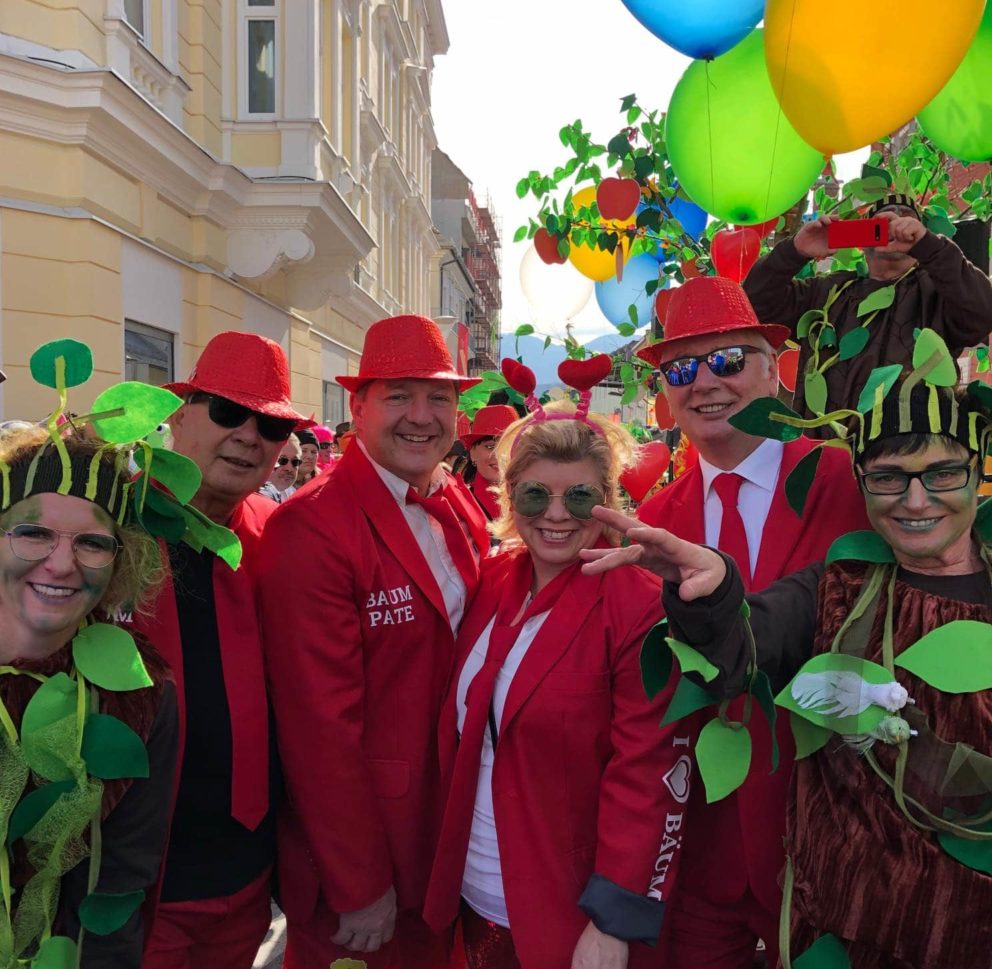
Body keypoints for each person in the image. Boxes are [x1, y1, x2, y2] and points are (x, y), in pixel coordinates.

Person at [581, 375, 992, 969]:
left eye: (943, 473)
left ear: (977, 471)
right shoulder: (840, 585)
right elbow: (746, 651)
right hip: (850, 933)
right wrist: (716, 592)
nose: (917, 499)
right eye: (888, 478)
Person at [633, 276, 870, 969]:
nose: (705, 382)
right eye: (682, 368)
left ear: (775, 370)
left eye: (728, 360)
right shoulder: (654, 521)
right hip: (701, 850)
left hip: (825, 842)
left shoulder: (848, 482)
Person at [422, 363, 681, 969]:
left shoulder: (637, 604)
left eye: (580, 496)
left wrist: (613, 918)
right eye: (536, 495)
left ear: (610, 501)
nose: (557, 515)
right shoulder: (491, 582)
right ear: (511, 499)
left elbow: (648, 770)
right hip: (471, 889)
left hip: (565, 909)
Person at [258, 314, 491, 969]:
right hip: (370, 862)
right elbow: (318, 728)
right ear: (357, 406)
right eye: (398, 395)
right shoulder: (311, 526)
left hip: (448, 840)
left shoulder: (455, 502)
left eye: (439, 397)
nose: (422, 415)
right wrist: (359, 882)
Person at [0, 346, 180, 967]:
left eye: (91, 542)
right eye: (33, 532)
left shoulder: (140, 693)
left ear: (118, 563)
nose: (61, 564)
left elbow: (122, 877)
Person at [135, 331, 308, 969]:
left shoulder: (281, 535)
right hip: (134, 875)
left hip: (246, 876)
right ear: (179, 417)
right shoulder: (106, 526)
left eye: (269, 424)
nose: (249, 436)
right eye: (229, 413)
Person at [744, 193, 992, 418]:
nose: (893, 220)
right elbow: (754, 305)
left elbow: (983, 313)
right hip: (828, 453)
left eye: (905, 218)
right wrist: (795, 251)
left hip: (908, 459)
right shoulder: (827, 291)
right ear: (862, 240)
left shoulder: (939, 293)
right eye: (880, 221)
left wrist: (931, 247)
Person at [458, 405, 517, 521]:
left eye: (508, 446)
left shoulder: (539, 500)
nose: (499, 454)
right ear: (472, 453)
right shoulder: (458, 505)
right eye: (490, 447)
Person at [260, 434, 301, 502]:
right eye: (282, 460)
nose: (289, 469)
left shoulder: (294, 496)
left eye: (295, 462)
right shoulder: (249, 496)